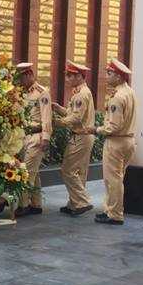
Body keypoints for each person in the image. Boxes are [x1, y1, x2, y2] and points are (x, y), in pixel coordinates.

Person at [94, 59, 137, 226]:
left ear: (119, 77)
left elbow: (113, 126)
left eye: (110, 73)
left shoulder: (117, 98)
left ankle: (115, 214)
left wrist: (97, 129)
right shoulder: (130, 92)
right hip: (129, 141)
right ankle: (111, 209)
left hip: (116, 141)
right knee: (117, 179)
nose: (107, 76)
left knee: (112, 180)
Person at [53, 60, 95, 216]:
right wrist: (59, 109)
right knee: (79, 172)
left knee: (68, 170)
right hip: (84, 136)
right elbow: (73, 114)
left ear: (79, 76)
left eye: (70, 76)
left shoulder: (81, 95)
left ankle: (82, 201)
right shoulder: (82, 92)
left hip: (80, 136)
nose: (67, 79)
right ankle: (74, 204)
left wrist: (56, 122)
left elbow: (75, 119)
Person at [16, 62, 51, 216]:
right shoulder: (21, 92)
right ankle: (36, 204)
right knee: (33, 172)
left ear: (29, 75)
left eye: (22, 78)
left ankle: (23, 205)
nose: (19, 81)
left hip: (37, 136)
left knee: (26, 173)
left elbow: (46, 116)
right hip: (23, 135)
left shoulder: (42, 92)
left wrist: (46, 138)